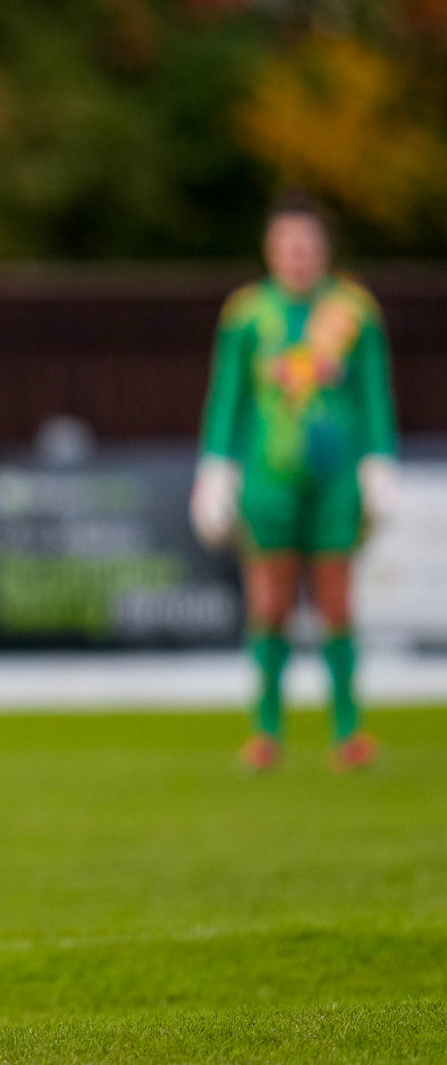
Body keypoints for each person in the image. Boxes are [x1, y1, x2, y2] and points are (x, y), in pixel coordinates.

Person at [190, 192, 395, 774]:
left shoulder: (354, 311)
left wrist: (380, 459)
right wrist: (215, 468)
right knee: (270, 601)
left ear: (323, 250)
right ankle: (267, 732)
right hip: (268, 477)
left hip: (335, 479)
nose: (299, 257)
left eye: (308, 245)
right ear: (271, 251)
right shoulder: (248, 314)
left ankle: (348, 732)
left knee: (336, 600)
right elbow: (227, 396)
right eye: (288, 246)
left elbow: (374, 391)